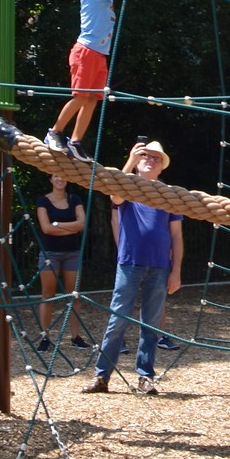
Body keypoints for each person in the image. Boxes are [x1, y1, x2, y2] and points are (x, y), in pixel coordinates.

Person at [79, 140, 182, 395]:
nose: (150, 160)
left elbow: (177, 236)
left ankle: (145, 376)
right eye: (146, 155)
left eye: (157, 158)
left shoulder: (168, 194)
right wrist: (130, 162)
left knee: (151, 324)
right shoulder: (128, 186)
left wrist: (176, 270)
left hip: (159, 265)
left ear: (162, 168)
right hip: (130, 263)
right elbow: (115, 193)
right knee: (117, 320)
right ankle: (102, 376)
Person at [43, 0, 127, 162]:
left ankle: (76, 141)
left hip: (98, 55)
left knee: (92, 99)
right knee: (81, 96)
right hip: (87, 52)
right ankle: (54, 132)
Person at [34, 174, 89, 348]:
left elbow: (82, 224)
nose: (60, 179)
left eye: (64, 175)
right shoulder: (43, 201)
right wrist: (70, 228)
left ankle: (75, 337)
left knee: (73, 296)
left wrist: (58, 225)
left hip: (72, 252)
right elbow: (46, 228)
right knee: (47, 296)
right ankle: (44, 337)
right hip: (50, 253)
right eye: (56, 176)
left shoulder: (75, 199)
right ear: (50, 179)